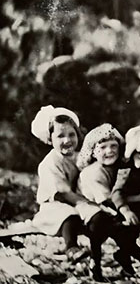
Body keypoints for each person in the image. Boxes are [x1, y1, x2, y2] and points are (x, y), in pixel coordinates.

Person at [76, 123, 140, 279]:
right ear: (93, 152)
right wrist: (137, 199)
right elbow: (106, 198)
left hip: (112, 206)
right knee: (102, 222)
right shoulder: (92, 173)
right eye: (102, 148)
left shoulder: (118, 167)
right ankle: (96, 263)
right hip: (90, 205)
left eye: (113, 146)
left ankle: (133, 258)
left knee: (130, 223)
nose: (109, 151)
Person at [30, 105, 94, 262]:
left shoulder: (79, 157)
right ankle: (71, 248)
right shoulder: (50, 162)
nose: (67, 140)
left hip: (76, 201)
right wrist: (84, 203)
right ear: (50, 139)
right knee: (68, 215)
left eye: (72, 135)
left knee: (95, 214)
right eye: (60, 136)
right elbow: (63, 191)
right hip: (54, 204)